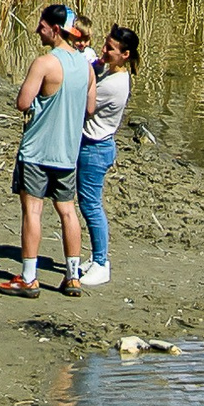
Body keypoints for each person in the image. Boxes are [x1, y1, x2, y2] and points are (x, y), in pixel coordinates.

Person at [0, 4, 90, 298]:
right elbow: (90, 108)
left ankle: (29, 277)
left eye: (42, 25)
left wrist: (39, 104)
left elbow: (23, 102)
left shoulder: (45, 63)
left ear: (56, 29)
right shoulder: (85, 66)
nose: (38, 30)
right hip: (67, 152)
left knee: (32, 211)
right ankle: (72, 275)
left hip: (38, 150)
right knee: (68, 211)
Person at [78, 25, 137, 287]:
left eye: (110, 49)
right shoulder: (109, 73)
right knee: (88, 203)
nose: (104, 51)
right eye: (105, 44)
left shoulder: (114, 84)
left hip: (96, 148)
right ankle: (95, 258)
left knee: (91, 206)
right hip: (94, 146)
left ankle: (101, 262)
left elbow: (82, 102)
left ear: (125, 54)